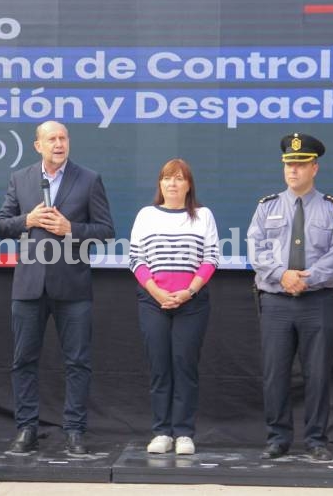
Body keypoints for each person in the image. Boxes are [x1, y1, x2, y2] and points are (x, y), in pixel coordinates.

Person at [0, 120, 115, 455]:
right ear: (38, 146)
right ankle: (26, 428)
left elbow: (106, 230)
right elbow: (1, 225)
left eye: (63, 138)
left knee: (77, 362)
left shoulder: (89, 179)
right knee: (23, 360)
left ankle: (74, 430)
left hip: (73, 286)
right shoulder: (20, 179)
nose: (59, 144)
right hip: (29, 286)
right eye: (52, 139)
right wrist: (27, 221)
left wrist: (70, 228)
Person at [247, 133, 333, 461]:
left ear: (314, 168)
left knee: (317, 372)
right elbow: (256, 249)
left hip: (316, 301)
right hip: (276, 301)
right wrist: (283, 275)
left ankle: (317, 439)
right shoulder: (267, 207)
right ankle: (278, 437)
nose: (293, 170)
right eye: (289, 164)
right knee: (275, 372)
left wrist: (307, 279)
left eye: (300, 164)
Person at [129, 159, 219, 456]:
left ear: (188, 185)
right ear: (160, 184)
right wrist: (157, 293)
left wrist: (188, 291)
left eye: (179, 179)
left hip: (191, 303)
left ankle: (183, 433)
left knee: (184, 366)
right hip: (153, 302)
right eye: (167, 178)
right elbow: (136, 259)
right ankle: (161, 431)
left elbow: (210, 258)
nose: (172, 184)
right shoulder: (146, 215)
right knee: (160, 367)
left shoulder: (203, 216)